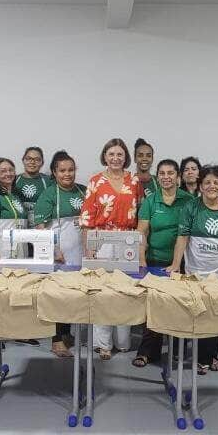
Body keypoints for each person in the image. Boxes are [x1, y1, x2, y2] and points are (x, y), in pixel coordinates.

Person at [167, 164, 218, 374]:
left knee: (216, 315)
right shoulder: (191, 208)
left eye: (216, 182)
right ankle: (199, 359)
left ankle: (211, 357)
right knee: (198, 314)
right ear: (200, 186)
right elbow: (182, 237)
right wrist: (176, 265)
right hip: (197, 273)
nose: (212, 186)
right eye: (207, 182)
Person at [80, 138, 143, 360]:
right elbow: (86, 218)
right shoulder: (95, 181)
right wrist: (90, 249)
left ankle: (123, 341)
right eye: (111, 154)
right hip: (101, 239)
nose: (115, 158)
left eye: (119, 154)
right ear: (104, 156)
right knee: (102, 292)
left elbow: (142, 214)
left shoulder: (134, 181)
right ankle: (103, 343)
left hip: (127, 239)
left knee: (124, 291)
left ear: (125, 157)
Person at [132, 159, 194, 368]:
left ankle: (178, 350)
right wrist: (142, 261)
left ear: (178, 177)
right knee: (153, 307)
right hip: (154, 262)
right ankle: (149, 351)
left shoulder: (188, 200)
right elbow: (142, 232)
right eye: (162, 173)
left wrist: (177, 263)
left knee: (179, 306)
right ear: (157, 177)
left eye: (170, 173)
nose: (166, 177)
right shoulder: (151, 201)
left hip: (181, 262)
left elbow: (186, 234)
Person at [34, 150, 87, 358]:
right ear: (54, 173)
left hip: (81, 252)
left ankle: (66, 333)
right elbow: (40, 227)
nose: (68, 174)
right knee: (58, 297)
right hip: (60, 254)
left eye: (71, 170)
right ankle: (57, 340)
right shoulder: (48, 194)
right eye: (62, 170)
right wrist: (53, 250)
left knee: (74, 295)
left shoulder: (83, 191)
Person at [0, 157, 38, 347]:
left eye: (10, 170)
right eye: (2, 171)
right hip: (3, 252)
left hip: (19, 251)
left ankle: (19, 331)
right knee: (0, 295)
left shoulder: (15, 195)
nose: (8, 173)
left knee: (18, 292)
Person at [15, 146, 53, 228]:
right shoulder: (14, 180)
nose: (32, 162)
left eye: (37, 160)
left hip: (41, 228)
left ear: (42, 163)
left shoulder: (48, 181)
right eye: (28, 158)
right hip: (19, 228)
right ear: (23, 160)